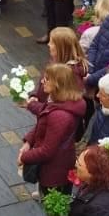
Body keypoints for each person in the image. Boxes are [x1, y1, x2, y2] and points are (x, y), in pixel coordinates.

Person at [19, 64, 86, 192]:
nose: (43, 81)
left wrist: (24, 157)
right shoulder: (60, 103)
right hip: (59, 166)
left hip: (54, 173)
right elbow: (43, 123)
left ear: (57, 84)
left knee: (52, 205)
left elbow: (47, 151)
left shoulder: (60, 115)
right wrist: (28, 142)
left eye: (47, 79)